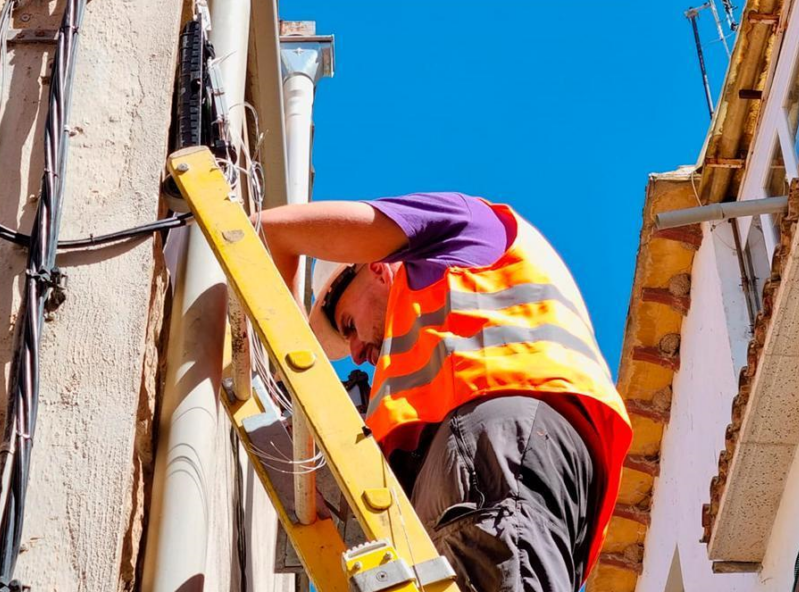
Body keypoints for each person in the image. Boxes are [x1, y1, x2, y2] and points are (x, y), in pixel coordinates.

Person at [259, 193, 632, 592]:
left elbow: (273, 230)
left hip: (500, 437)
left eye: (348, 323)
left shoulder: (466, 227)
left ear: (376, 268)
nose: (354, 352)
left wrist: (282, 370)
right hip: (513, 456)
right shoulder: (422, 349)